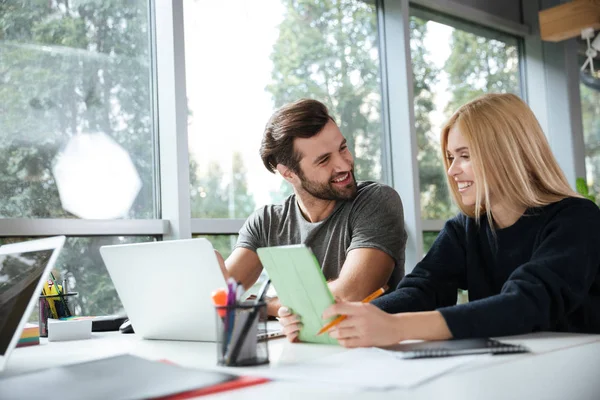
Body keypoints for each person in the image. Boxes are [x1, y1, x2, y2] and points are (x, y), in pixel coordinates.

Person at [280, 93, 600, 346]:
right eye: (450, 157)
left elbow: (525, 302)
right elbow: (423, 288)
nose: (451, 171)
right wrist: (343, 317)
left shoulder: (577, 220)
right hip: (507, 368)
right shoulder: (465, 229)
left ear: (506, 154)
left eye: (465, 156)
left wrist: (396, 328)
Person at [220, 99, 407, 319]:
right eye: (324, 160)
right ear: (289, 173)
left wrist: (267, 306)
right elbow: (222, 298)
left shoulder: (376, 201)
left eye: (343, 148)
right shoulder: (267, 222)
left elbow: (350, 295)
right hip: (297, 347)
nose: (344, 165)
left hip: (370, 348)